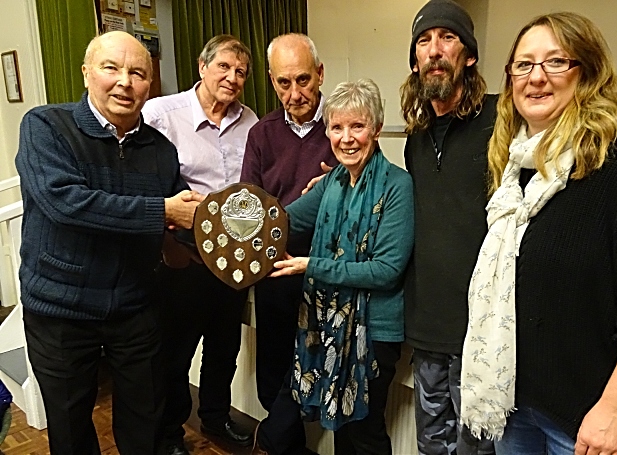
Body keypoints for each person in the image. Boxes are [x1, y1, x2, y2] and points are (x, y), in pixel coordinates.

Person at [399, 1, 617, 454]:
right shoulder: (513, 165)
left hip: (588, 419)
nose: (537, 76)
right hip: (516, 404)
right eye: (524, 65)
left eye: (556, 61)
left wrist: (616, 408)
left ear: (588, 72)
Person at [14, 31, 201, 455]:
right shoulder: (45, 127)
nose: (124, 82)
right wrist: (164, 212)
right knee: (70, 431)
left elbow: (185, 216)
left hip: (136, 308)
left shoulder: (161, 151)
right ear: (86, 73)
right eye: (111, 68)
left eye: (138, 73)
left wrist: (219, 232)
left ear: (149, 85)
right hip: (60, 310)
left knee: (147, 428)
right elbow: (68, 204)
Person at [251, 78, 414, 455]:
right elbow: (283, 221)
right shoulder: (332, 183)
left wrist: (312, 266)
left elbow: (386, 270)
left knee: (365, 431)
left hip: (374, 331)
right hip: (329, 324)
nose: (347, 138)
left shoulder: (397, 185)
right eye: (337, 127)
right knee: (342, 426)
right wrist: (232, 228)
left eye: (357, 126)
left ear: (375, 128)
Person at [142, 34, 258, 455]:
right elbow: (142, 178)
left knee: (224, 345)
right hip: (183, 252)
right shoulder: (161, 114)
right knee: (176, 351)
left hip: (233, 255)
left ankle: (216, 418)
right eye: (224, 67)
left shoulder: (251, 122)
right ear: (202, 66)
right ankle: (171, 433)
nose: (232, 78)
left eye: (240, 72)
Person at [240, 32, 338, 449]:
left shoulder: (343, 127)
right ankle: (287, 444)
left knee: (321, 366)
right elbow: (245, 209)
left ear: (319, 74)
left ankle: (277, 440)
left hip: (327, 271)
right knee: (276, 371)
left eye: (303, 80)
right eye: (284, 83)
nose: (295, 93)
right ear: (271, 80)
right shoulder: (261, 135)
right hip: (276, 270)